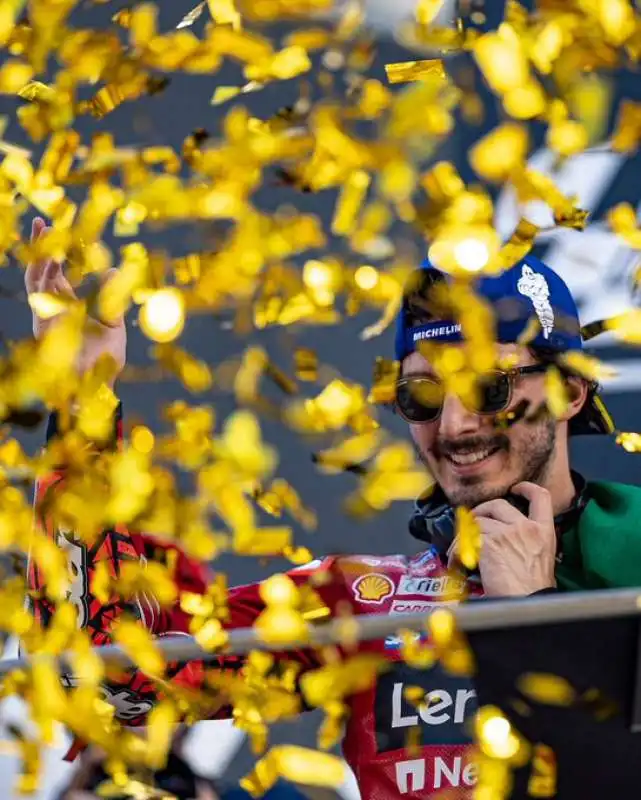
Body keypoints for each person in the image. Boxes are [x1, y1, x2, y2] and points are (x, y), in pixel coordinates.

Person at [25, 213, 641, 799]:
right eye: (422, 393)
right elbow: (103, 679)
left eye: (488, 387)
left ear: (568, 391)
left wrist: (535, 624)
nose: (454, 425)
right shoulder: (367, 600)